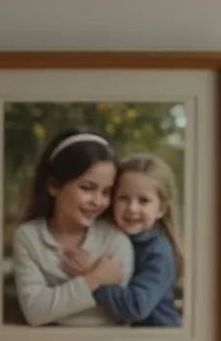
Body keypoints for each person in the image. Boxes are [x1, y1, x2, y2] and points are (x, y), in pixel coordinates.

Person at [10, 129, 134, 327]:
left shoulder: (115, 240)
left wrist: (58, 301)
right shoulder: (28, 237)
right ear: (54, 186)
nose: (98, 201)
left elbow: (120, 313)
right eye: (87, 188)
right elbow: (35, 311)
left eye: (106, 192)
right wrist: (95, 278)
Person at [67, 153, 184, 328]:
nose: (132, 208)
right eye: (123, 198)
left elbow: (136, 306)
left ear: (161, 208)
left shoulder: (158, 251)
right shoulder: (107, 237)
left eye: (143, 200)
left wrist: (92, 276)